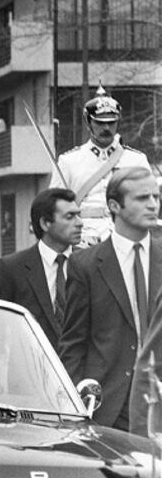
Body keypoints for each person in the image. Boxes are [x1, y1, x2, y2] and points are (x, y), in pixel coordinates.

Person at [59, 167, 162, 431]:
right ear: (114, 205)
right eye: (142, 198)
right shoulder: (86, 265)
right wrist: (74, 410)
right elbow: (74, 343)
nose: (153, 205)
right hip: (108, 408)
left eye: (156, 197)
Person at [50, 84, 151, 247]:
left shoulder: (136, 161)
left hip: (126, 237)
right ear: (88, 122)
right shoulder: (68, 162)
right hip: (83, 240)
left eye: (111, 122)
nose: (106, 128)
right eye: (99, 122)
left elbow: (148, 203)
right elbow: (54, 208)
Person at [0, 188, 82, 350]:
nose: (80, 223)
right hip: (31, 369)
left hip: (79, 371)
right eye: (70, 217)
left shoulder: (90, 264)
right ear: (45, 223)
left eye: (78, 215)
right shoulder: (11, 269)